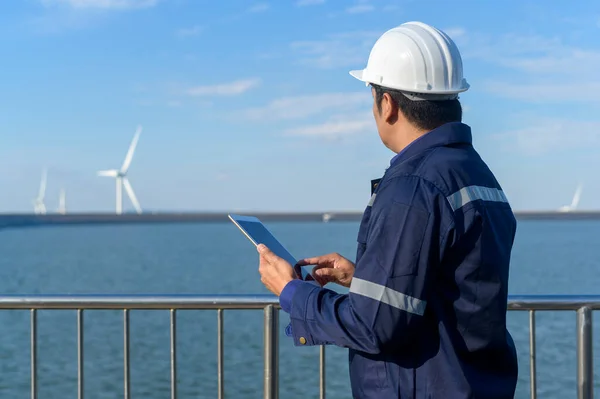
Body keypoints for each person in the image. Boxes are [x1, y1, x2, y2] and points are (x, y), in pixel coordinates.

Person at [257, 21, 519, 398]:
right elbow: (453, 287)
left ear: (388, 103)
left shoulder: (413, 185)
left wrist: (291, 291)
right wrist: (364, 278)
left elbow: (374, 326)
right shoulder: (476, 174)